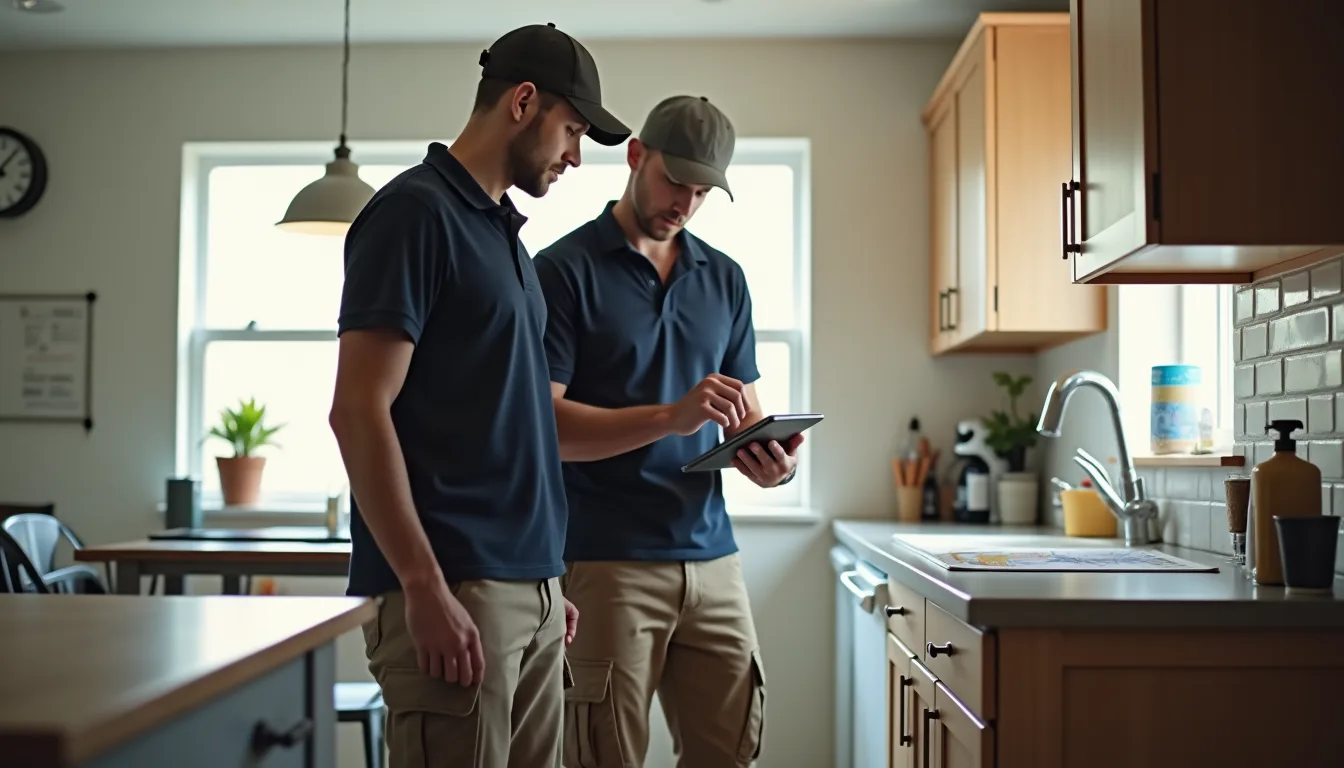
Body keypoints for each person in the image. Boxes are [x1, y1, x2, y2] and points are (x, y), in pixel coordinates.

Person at [328, 22, 630, 768]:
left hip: (530, 588)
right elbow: (358, 410)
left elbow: (517, 422)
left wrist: (539, 581)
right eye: (573, 130)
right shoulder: (414, 214)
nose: (575, 155)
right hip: (454, 590)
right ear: (523, 102)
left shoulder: (506, 240)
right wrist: (422, 585)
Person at [533, 95, 803, 768]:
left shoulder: (726, 279)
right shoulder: (561, 271)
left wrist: (773, 462)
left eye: (702, 191)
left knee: (729, 751)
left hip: (713, 559)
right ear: (635, 156)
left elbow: (744, 413)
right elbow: (544, 427)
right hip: (604, 561)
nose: (685, 202)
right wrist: (672, 417)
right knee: (603, 757)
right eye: (674, 180)